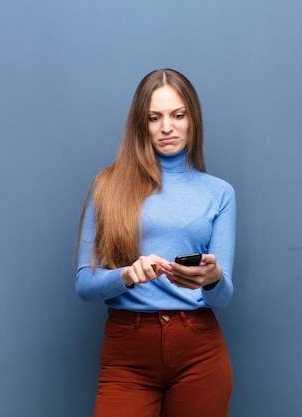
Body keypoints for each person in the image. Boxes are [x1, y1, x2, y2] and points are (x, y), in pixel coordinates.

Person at [75, 68, 236, 417]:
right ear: (141, 124)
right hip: (127, 353)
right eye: (154, 117)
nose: (167, 127)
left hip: (199, 349)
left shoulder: (220, 193)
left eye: (178, 115)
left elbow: (223, 297)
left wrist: (211, 279)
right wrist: (127, 275)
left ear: (193, 119)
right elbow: (84, 285)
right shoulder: (106, 186)